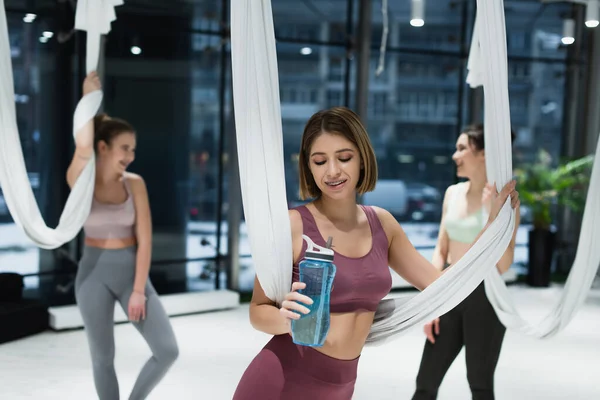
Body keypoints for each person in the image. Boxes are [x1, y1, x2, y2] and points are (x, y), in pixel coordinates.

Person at [232, 108, 519, 400]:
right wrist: (286, 318)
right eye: (319, 161)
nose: (332, 171)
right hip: (280, 380)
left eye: (344, 158)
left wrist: (492, 227)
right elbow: (258, 310)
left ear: (362, 159)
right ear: (308, 166)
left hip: (341, 387)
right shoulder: (292, 226)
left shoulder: (382, 224)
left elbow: (443, 287)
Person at [66, 71, 179, 400]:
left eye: (133, 149)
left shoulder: (136, 183)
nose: (130, 155)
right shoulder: (81, 180)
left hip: (132, 269)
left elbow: (145, 240)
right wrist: (89, 98)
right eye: (124, 148)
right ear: (104, 147)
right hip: (92, 273)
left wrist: (138, 291)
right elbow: (82, 145)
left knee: (167, 350)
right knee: (103, 358)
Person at [411, 124, 520, 400]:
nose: (454, 155)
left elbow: (503, 264)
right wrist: (430, 301)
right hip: (448, 292)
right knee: (426, 381)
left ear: (483, 154)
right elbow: (441, 248)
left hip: (484, 299)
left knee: (480, 384)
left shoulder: (505, 202)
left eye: (462, 149)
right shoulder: (453, 193)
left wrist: (491, 215)